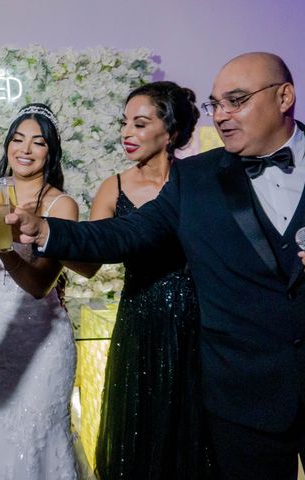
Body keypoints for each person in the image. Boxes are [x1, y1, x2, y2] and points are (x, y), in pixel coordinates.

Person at [10, 52, 305, 480]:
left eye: (235, 101)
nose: (221, 116)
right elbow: (122, 234)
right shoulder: (196, 180)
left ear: (284, 97)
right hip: (245, 396)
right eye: (214, 105)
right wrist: (45, 231)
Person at [84, 82, 210, 479]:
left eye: (139, 124)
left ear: (171, 132)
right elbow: (90, 256)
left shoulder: (199, 184)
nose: (126, 133)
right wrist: (36, 240)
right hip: (139, 321)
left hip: (199, 326)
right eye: (124, 123)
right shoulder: (113, 187)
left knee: (194, 432)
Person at [0, 104, 81, 480]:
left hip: (42, 343)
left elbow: (41, 284)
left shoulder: (62, 205)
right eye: (17, 139)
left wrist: (5, 245)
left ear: (50, 152)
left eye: (37, 142)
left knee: (36, 440)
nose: (25, 149)